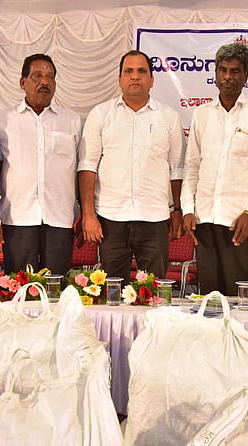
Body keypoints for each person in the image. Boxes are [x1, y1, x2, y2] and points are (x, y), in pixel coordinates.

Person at [78, 50, 184, 281]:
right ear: (119, 79)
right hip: (111, 217)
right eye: (129, 71)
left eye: (141, 71)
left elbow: (176, 169)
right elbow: (87, 166)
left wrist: (177, 211)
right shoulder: (101, 114)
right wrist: (88, 215)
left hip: (155, 218)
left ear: (152, 80)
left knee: (154, 293)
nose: (135, 76)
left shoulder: (169, 117)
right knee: (113, 294)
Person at [181, 42, 248, 295]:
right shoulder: (201, 114)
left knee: (236, 299)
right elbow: (191, 167)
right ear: (215, 73)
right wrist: (188, 210)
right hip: (204, 221)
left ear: (246, 75)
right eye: (222, 70)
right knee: (208, 298)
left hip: (238, 223)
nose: (227, 77)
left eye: (235, 71)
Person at [0, 53, 81, 275]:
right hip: (18, 217)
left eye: (50, 77)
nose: (45, 82)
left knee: (56, 290)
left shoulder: (72, 121)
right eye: (37, 76)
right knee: (18, 289)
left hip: (60, 218)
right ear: (23, 82)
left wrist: (84, 215)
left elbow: (81, 171)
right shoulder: (3, 120)